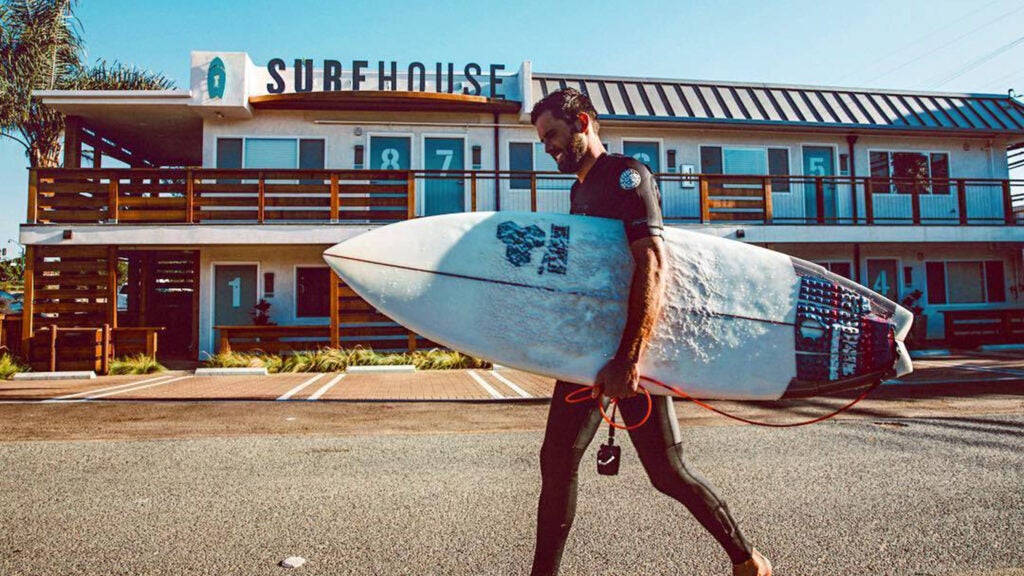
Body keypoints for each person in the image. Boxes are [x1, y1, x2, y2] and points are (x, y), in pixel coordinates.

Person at [529, 88, 772, 576]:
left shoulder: (627, 177)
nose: (548, 147)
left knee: (667, 473)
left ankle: (748, 562)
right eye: (542, 140)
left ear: (582, 122)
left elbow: (654, 265)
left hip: (630, 354)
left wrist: (630, 357)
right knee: (556, 463)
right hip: (588, 354)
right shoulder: (579, 191)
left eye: (553, 134)